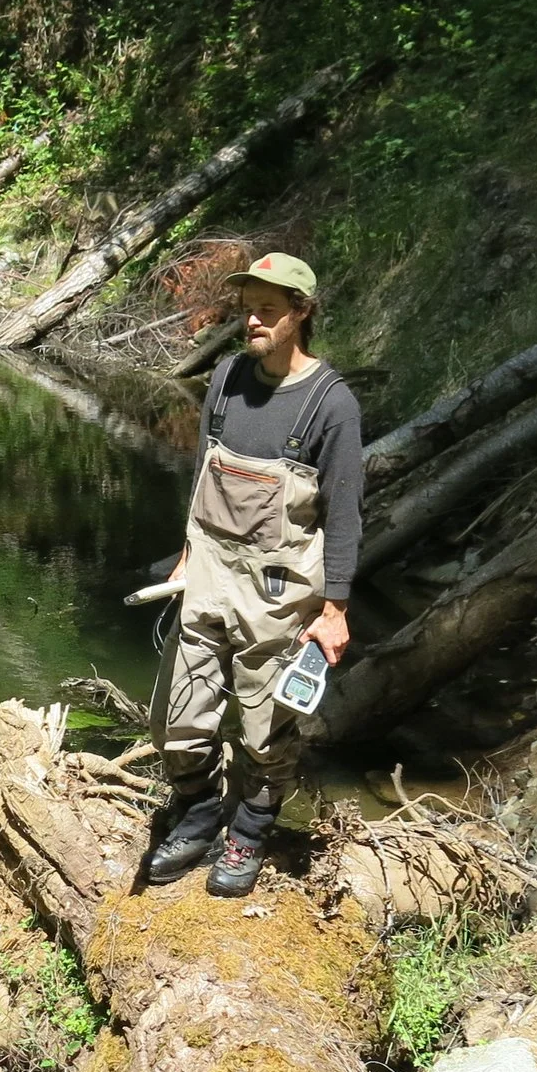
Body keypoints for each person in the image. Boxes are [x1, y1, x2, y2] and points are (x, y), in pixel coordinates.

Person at [142, 252, 363, 897]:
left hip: (280, 588)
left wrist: (336, 608)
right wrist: (188, 547)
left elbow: (345, 513)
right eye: (249, 306)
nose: (253, 320)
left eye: (269, 308)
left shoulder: (332, 406)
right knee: (176, 717)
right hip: (208, 569)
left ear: (301, 313)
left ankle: (251, 828)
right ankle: (199, 812)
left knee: (268, 729)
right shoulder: (229, 377)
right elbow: (204, 470)